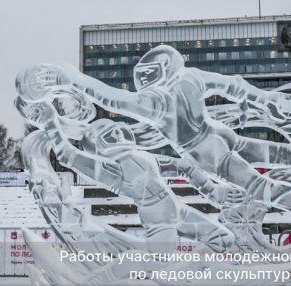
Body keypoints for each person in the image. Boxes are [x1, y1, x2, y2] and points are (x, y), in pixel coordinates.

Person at [16, 46, 291, 250]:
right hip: (214, 140)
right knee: (276, 156)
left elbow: (110, 97)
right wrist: (264, 101)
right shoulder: (193, 79)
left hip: (202, 148)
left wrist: (68, 76)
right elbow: (234, 87)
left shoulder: (155, 101)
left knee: (259, 183)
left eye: (146, 74)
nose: (142, 80)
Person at [16, 97, 240, 255]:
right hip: (159, 222)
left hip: (179, 211)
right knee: (162, 269)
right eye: (109, 133)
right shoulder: (108, 168)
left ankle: (194, 274)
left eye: (117, 128)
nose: (118, 133)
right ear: (97, 143)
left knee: (224, 239)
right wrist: (50, 123)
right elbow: (66, 155)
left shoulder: (145, 156)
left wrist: (212, 190)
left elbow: (183, 166)